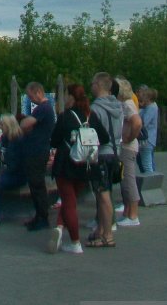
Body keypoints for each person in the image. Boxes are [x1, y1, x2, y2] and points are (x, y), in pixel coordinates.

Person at [47, 84, 109, 254]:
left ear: (71, 97)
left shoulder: (65, 116)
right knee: (71, 200)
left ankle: (75, 242)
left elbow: (54, 140)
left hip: (66, 164)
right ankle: (60, 227)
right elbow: (104, 137)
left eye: (66, 95)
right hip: (87, 164)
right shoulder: (91, 115)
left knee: (68, 202)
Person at [87, 72, 123, 248]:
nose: (91, 86)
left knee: (103, 194)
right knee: (106, 191)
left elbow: (95, 136)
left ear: (99, 85)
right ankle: (101, 230)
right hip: (115, 153)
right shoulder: (119, 106)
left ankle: (107, 235)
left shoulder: (95, 108)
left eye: (93, 83)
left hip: (101, 153)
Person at [20, 82, 56, 231]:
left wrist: (24, 123)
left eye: (30, 96)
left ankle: (43, 217)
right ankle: (39, 215)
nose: (30, 99)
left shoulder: (43, 108)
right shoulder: (44, 109)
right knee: (35, 185)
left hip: (38, 151)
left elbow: (26, 123)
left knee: (38, 184)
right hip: (36, 150)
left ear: (38, 93)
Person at [117, 78, 142, 227]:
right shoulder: (124, 103)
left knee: (129, 180)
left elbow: (137, 122)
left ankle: (133, 215)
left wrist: (130, 137)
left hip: (128, 147)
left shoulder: (127, 104)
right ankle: (127, 212)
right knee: (124, 181)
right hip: (124, 146)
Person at [137, 86, 159, 173]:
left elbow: (144, 122)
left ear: (149, 98)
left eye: (144, 96)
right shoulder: (149, 107)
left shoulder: (151, 108)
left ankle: (150, 182)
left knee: (147, 164)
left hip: (147, 139)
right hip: (148, 139)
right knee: (146, 162)